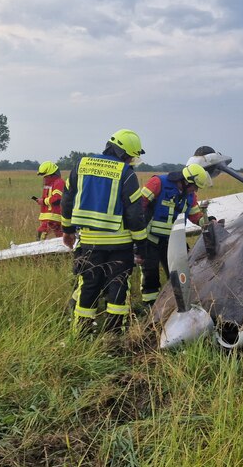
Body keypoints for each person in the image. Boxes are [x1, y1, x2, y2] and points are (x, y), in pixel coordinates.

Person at [61, 129, 148, 335]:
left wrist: (67, 230)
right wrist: (142, 245)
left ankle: (81, 335)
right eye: (130, 156)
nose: (130, 161)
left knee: (88, 286)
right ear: (121, 153)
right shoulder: (126, 173)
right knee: (118, 287)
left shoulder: (81, 166)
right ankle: (114, 335)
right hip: (120, 245)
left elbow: (66, 199)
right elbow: (135, 214)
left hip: (89, 243)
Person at [137, 152, 214, 305]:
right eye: (195, 187)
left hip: (174, 242)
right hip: (150, 240)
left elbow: (194, 215)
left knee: (181, 274)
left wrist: (208, 221)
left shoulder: (190, 196)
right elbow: (138, 206)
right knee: (150, 275)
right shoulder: (158, 183)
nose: (196, 191)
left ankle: (177, 304)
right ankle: (150, 308)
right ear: (186, 181)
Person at [34, 161, 64, 239]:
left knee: (59, 240)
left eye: (45, 176)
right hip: (49, 219)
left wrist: (43, 201)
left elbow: (57, 199)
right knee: (42, 238)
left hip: (54, 218)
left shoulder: (59, 182)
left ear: (51, 175)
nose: (44, 178)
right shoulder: (48, 184)